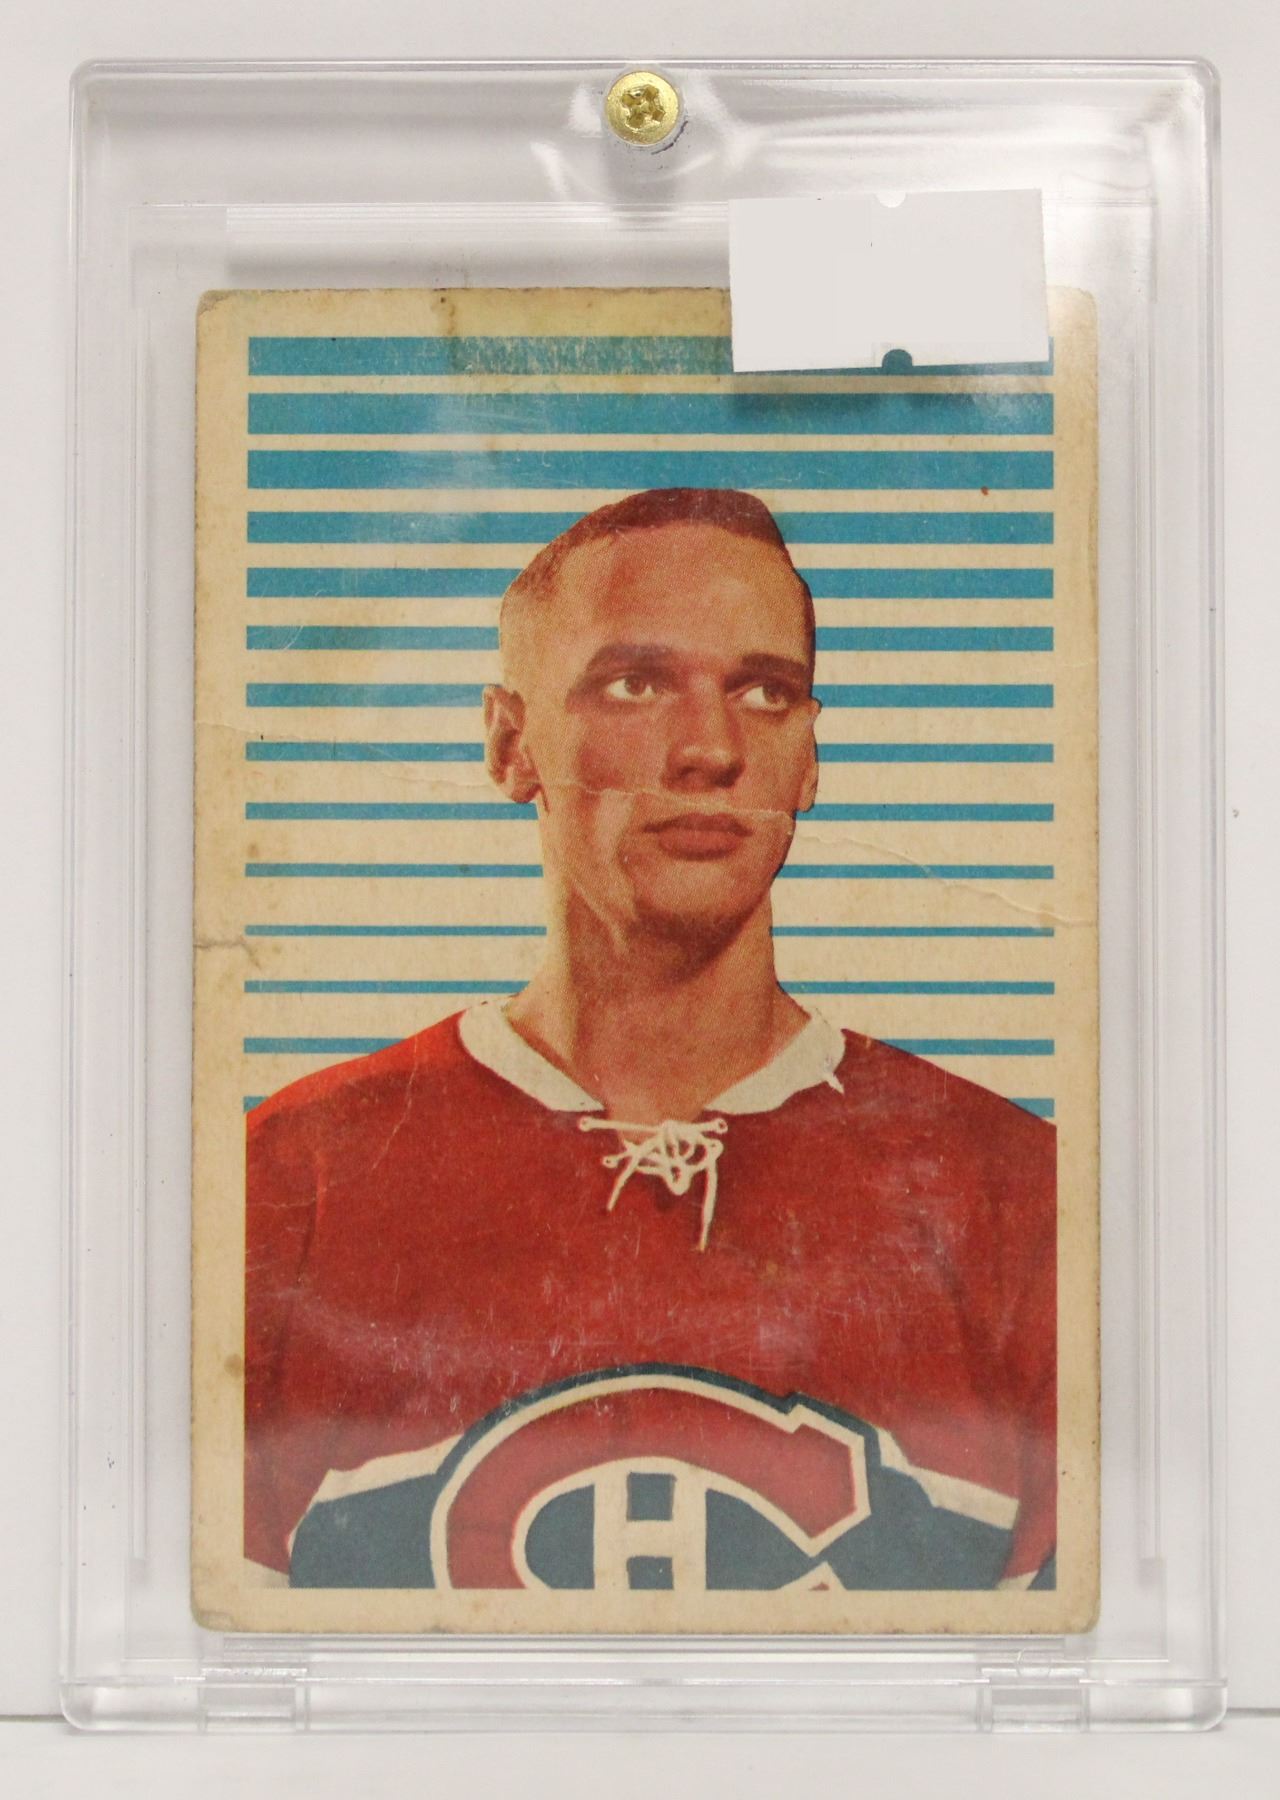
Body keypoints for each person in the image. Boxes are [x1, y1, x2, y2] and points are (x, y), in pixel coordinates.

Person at [245, 487, 1057, 1599]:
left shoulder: (1014, 1196)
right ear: (510, 743)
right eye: (634, 684)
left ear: (810, 759)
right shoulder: (294, 1178)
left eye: (766, 693)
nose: (710, 749)